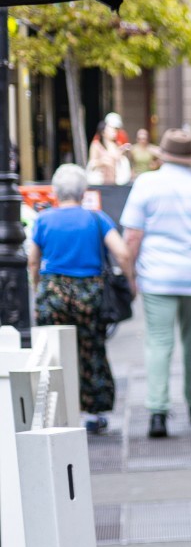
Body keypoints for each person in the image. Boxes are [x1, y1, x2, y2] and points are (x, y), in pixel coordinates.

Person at [119, 128, 191, 439]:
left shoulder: (146, 184)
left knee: (159, 342)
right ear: (190, 158)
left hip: (157, 277)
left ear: (163, 155)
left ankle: (158, 413)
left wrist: (128, 275)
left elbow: (132, 236)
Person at [26, 163, 127, 435]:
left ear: (57, 193)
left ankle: (58, 411)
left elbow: (33, 260)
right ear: (83, 192)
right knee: (91, 349)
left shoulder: (44, 219)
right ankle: (94, 413)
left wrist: (38, 287)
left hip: (54, 291)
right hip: (89, 293)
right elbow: (122, 252)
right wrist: (131, 281)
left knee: (53, 353)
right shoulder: (96, 219)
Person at [86, 113, 132, 186]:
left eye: (116, 128)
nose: (115, 131)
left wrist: (123, 150)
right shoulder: (97, 142)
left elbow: (121, 157)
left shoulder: (120, 137)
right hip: (101, 180)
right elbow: (92, 163)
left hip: (115, 180)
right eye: (113, 128)